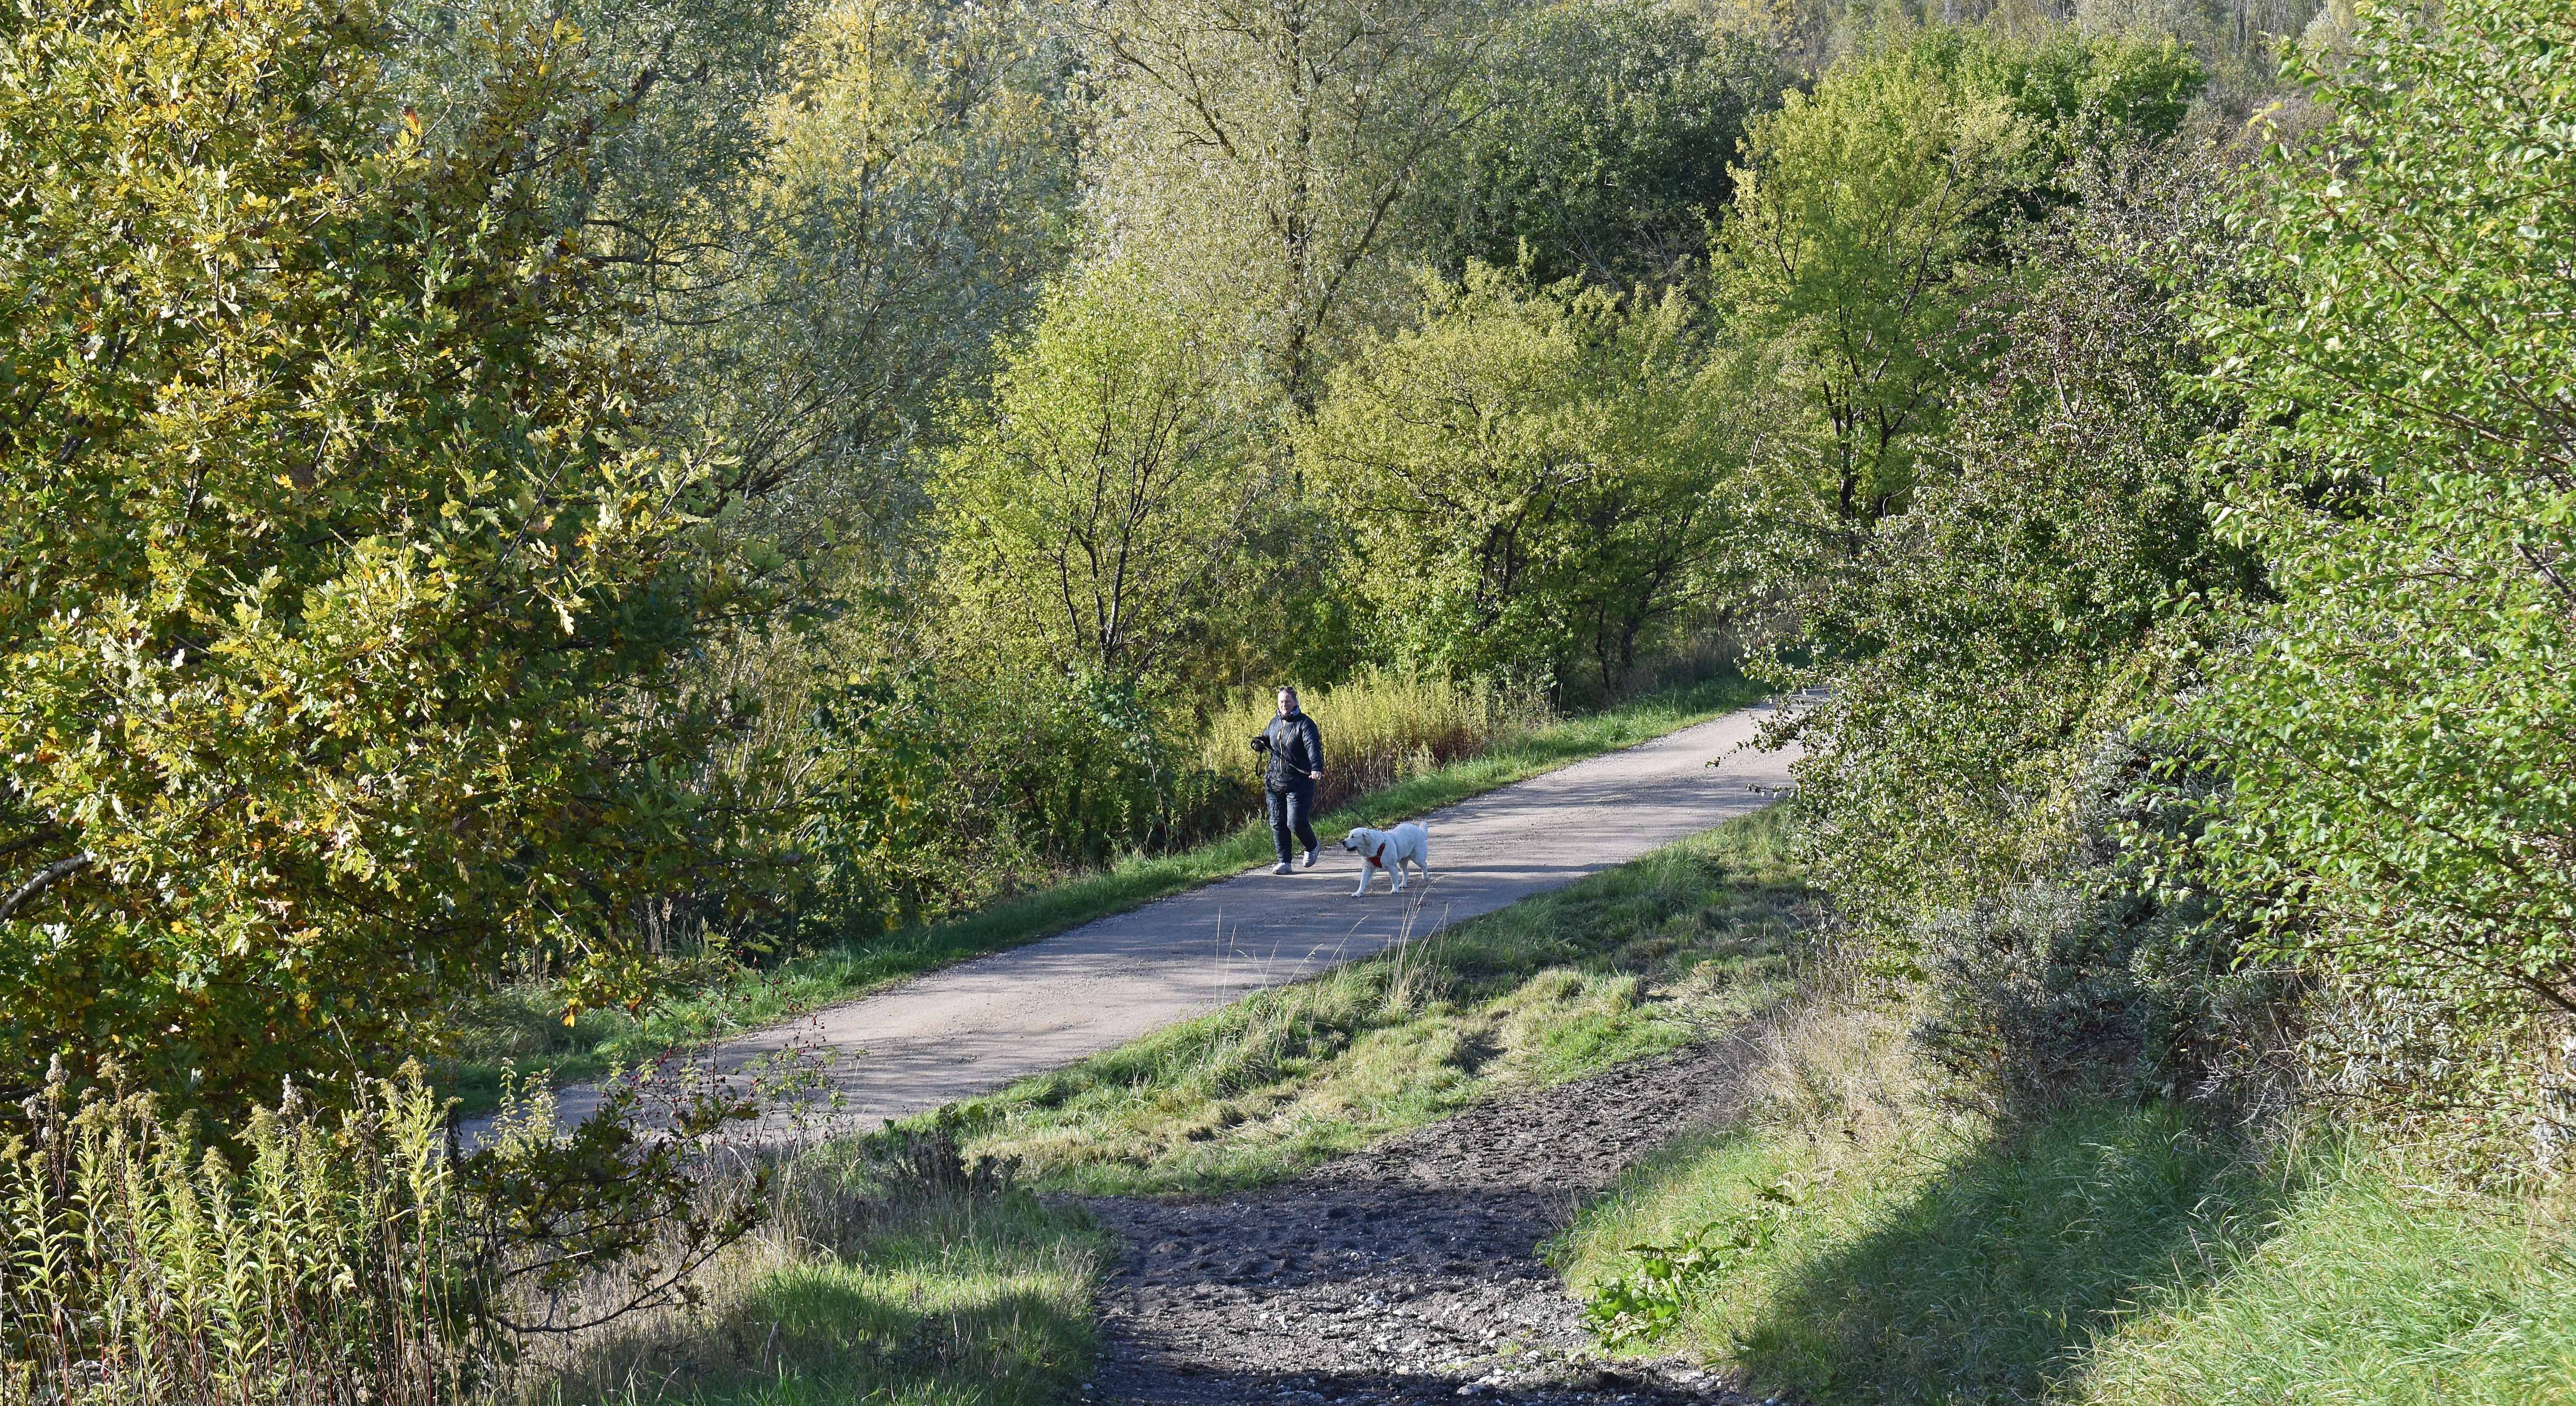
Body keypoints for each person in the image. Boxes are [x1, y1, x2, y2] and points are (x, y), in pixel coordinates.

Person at [1253, 686, 1325, 874]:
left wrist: (1316, 768)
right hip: (1275, 781)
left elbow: (1313, 748)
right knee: (1277, 822)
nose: (1284, 705)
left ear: (1296, 702)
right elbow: (1267, 738)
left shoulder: (1305, 724)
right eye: (1281, 702)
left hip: (1299, 782)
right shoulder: (1275, 722)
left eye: (1288, 701)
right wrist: (1258, 742)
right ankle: (1284, 862)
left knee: (1295, 822)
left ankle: (1312, 846)